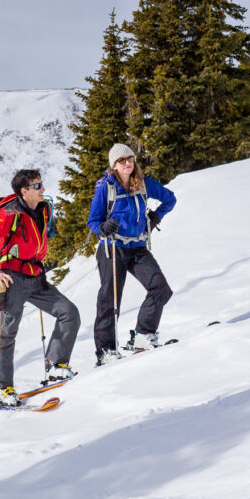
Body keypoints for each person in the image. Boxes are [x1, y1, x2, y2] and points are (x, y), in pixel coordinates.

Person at [0, 169, 80, 406]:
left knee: (69, 313)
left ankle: (56, 365)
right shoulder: (8, 215)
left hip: (36, 275)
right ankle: (3, 388)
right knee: (7, 332)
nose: (43, 189)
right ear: (24, 191)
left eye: (41, 184)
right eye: (37, 185)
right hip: (12, 278)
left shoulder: (44, 208)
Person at [87, 143, 177, 365]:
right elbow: (93, 221)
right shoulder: (105, 188)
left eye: (130, 158)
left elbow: (170, 199)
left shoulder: (144, 184)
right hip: (112, 247)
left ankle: (143, 335)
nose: (127, 163)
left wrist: (156, 217)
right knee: (110, 299)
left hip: (137, 247)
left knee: (161, 288)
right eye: (121, 160)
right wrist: (103, 228)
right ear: (114, 166)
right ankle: (105, 350)